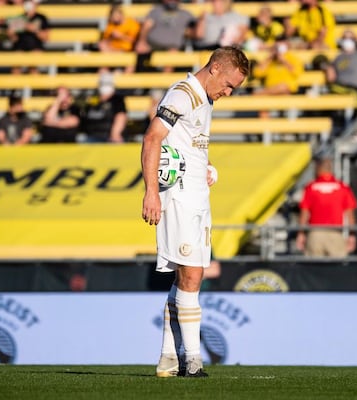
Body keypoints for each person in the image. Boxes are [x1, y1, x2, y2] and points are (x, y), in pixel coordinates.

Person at [140, 46, 249, 378]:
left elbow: (187, 141)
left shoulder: (206, 98)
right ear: (215, 68)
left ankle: (168, 358)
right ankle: (193, 360)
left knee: (187, 276)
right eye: (229, 84)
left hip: (198, 196)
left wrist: (205, 164)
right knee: (192, 275)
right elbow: (152, 138)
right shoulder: (183, 93)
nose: (228, 93)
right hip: (180, 198)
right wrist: (151, 193)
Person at [295, 157, 357, 257]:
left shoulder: (310, 187)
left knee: (312, 268)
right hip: (335, 233)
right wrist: (352, 235)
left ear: (318, 169)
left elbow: (304, 213)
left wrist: (301, 233)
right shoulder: (343, 187)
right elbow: (349, 214)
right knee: (338, 269)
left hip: (315, 234)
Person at [134, 0, 196, 73]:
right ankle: (137, 80)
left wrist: (202, 18)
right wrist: (142, 41)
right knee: (140, 51)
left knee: (172, 53)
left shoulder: (186, 14)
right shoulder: (156, 11)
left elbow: (195, 32)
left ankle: (164, 82)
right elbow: (146, 26)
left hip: (172, 47)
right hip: (152, 44)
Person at [322, 30, 357, 112]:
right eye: (345, 38)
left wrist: (355, 38)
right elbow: (331, 78)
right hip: (340, 87)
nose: (347, 40)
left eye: (350, 38)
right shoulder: (337, 57)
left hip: (356, 88)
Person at [4, 0, 49, 73]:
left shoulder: (41, 18)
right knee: (16, 67)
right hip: (20, 47)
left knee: (33, 67)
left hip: (35, 47)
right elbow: (13, 38)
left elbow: (46, 37)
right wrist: (11, 33)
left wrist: (34, 30)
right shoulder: (19, 17)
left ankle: (34, 82)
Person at [81, 74, 127, 143]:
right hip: (91, 136)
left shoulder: (117, 100)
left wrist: (115, 134)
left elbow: (121, 116)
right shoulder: (93, 99)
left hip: (107, 137)